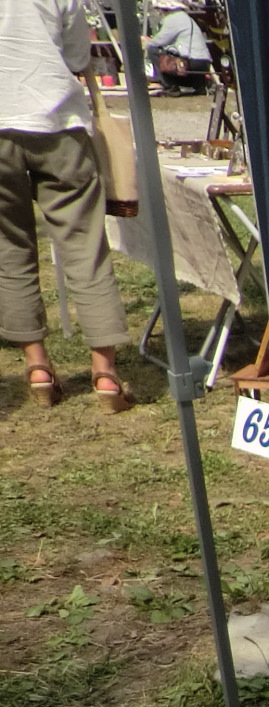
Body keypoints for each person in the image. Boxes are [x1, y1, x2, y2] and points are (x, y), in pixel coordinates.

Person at [1, 0, 132, 411]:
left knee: (10, 248)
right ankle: (105, 372)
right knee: (85, 247)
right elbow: (77, 56)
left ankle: (37, 366)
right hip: (56, 120)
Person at [144, 0, 213, 96]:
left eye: (160, 10)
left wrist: (146, 41)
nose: (159, 13)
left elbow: (159, 41)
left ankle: (170, 86)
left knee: (153, 50)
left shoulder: (173, 18)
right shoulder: (186, 18)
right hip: (203, 64)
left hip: (189, 64)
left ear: (166, 9)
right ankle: (200, 85)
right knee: (167, 52)